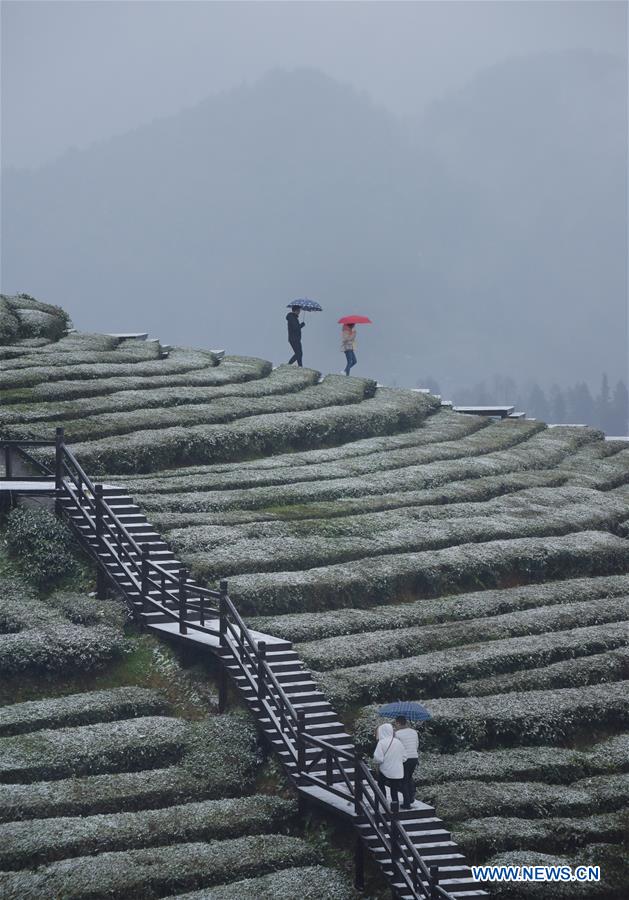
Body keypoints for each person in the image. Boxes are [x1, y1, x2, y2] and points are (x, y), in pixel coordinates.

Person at [373, 722, 406, 806]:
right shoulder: (398, 742)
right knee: (394, 790)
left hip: (385, 770)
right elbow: (404, 757)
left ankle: (383, 802)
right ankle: (395, 806)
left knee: (381, 784)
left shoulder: (381, 742)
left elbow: (378, 758)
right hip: (398, 771)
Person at [394, 716, 419, 809]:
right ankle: (411, 797)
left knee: (404, 780)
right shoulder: (414, 732)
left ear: (398, 723)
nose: (395, 725)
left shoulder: (398, 734)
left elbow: (396, 747)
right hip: (414, 757)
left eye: (395, 723)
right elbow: (416, 744)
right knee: (409, 778)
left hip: (404, 759)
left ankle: (407, 803)